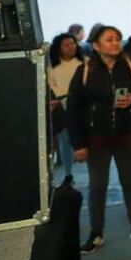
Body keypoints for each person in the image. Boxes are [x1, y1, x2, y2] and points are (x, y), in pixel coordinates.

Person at [66, 26, 131, 252]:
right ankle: (96, 233)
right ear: (96, 45)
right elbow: (73, 109)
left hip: (126, 136)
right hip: (97, 139)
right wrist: (78, 144)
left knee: (130, 183)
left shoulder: (130, 66)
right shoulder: (85, 70)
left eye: (117, 39)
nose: (115, 43)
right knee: (98, 186)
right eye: (109, 39)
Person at [48, 32, 85, 178]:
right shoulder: (52, 68)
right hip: (63, 106)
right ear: (59, 48)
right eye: (66, 45)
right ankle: (68, 174)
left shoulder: (85, 63)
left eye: (73, 43)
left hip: (83, 105)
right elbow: (53, 86)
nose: (71, 47)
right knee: (65, 141)